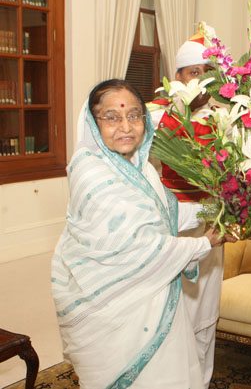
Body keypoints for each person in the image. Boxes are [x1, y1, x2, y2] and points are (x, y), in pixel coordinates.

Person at [51, 79, 230, 389]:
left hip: (156, 294)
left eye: (134, 115)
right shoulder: (90, 173)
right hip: (112, 302)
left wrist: (214, 210)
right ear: (93, 123)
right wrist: (204, 243)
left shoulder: (139, 166)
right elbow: (137, 248)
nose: (126, 126)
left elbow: (167, 213)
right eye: (112, 117)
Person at [148, 22, 222, 389]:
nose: (202, 81)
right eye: (195, 73)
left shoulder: (224, 117)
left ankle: (202, 382)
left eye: (209, 74)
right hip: (173, 226)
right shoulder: (155, 115)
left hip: (214, 228)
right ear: (177, 76)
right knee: (174, 316)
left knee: (206, 315)